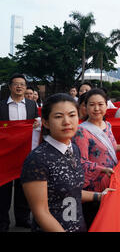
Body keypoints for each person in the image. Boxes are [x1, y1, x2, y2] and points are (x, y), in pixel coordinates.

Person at [21, 93, 114, 232]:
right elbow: (41, 212)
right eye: (58, 117)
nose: (67, 121)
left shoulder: (74, 149)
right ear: (45, 122)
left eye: (72, 115)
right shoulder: (37, 160)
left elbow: (72, 192)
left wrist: (100, 196)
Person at [72, 89, 120, 229]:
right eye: (92, 105)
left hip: (110, 180)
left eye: (100, 104)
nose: (96, 108)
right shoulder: (81, 131)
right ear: (85, 107)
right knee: (95, 222)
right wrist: (102, 169)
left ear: (106, 105)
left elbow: (109, 148)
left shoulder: (108, 125)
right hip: (94, 186)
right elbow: (81, 161)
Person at [0, 74, 39, 231]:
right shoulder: (1, 106)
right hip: (6, 154)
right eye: (16, 84)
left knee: (24, 187)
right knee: (3, 189)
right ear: (10, 87)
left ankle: (22, 218)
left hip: (25, 152)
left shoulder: (31, 105)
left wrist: (36, 124)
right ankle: (3, 221)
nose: (19, 87)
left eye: (22, 84)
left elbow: (36, 122)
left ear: (25, 87)